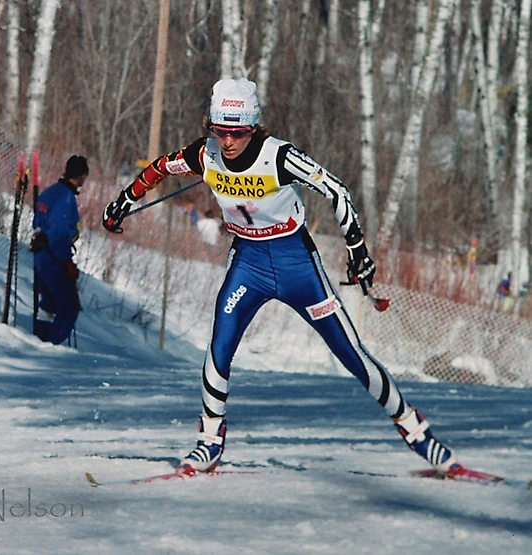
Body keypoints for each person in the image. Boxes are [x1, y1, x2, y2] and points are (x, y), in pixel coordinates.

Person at [102, 78, 459, 474]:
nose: (228, 141)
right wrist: (123, 201)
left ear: (253, 126)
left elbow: (338, 192)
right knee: (220, 345)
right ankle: (208, 442)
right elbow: (158, 169)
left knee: (352, 355)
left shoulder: (279, 157)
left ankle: (418, 432)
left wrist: (357, 251)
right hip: (248, 264)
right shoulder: (206, 156)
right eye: (219, 131)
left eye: (236, 132)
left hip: (296, 265)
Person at [31, 155, 89, 345]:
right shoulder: (65, 198)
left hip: (41, 253)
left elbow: (37, 220)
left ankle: (39, 340)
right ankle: (52, 345)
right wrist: (66, 261)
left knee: (48, 302)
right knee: (69, 307)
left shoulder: (50, 192)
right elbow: (58, 232)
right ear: (81, 176)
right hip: (54, 257)